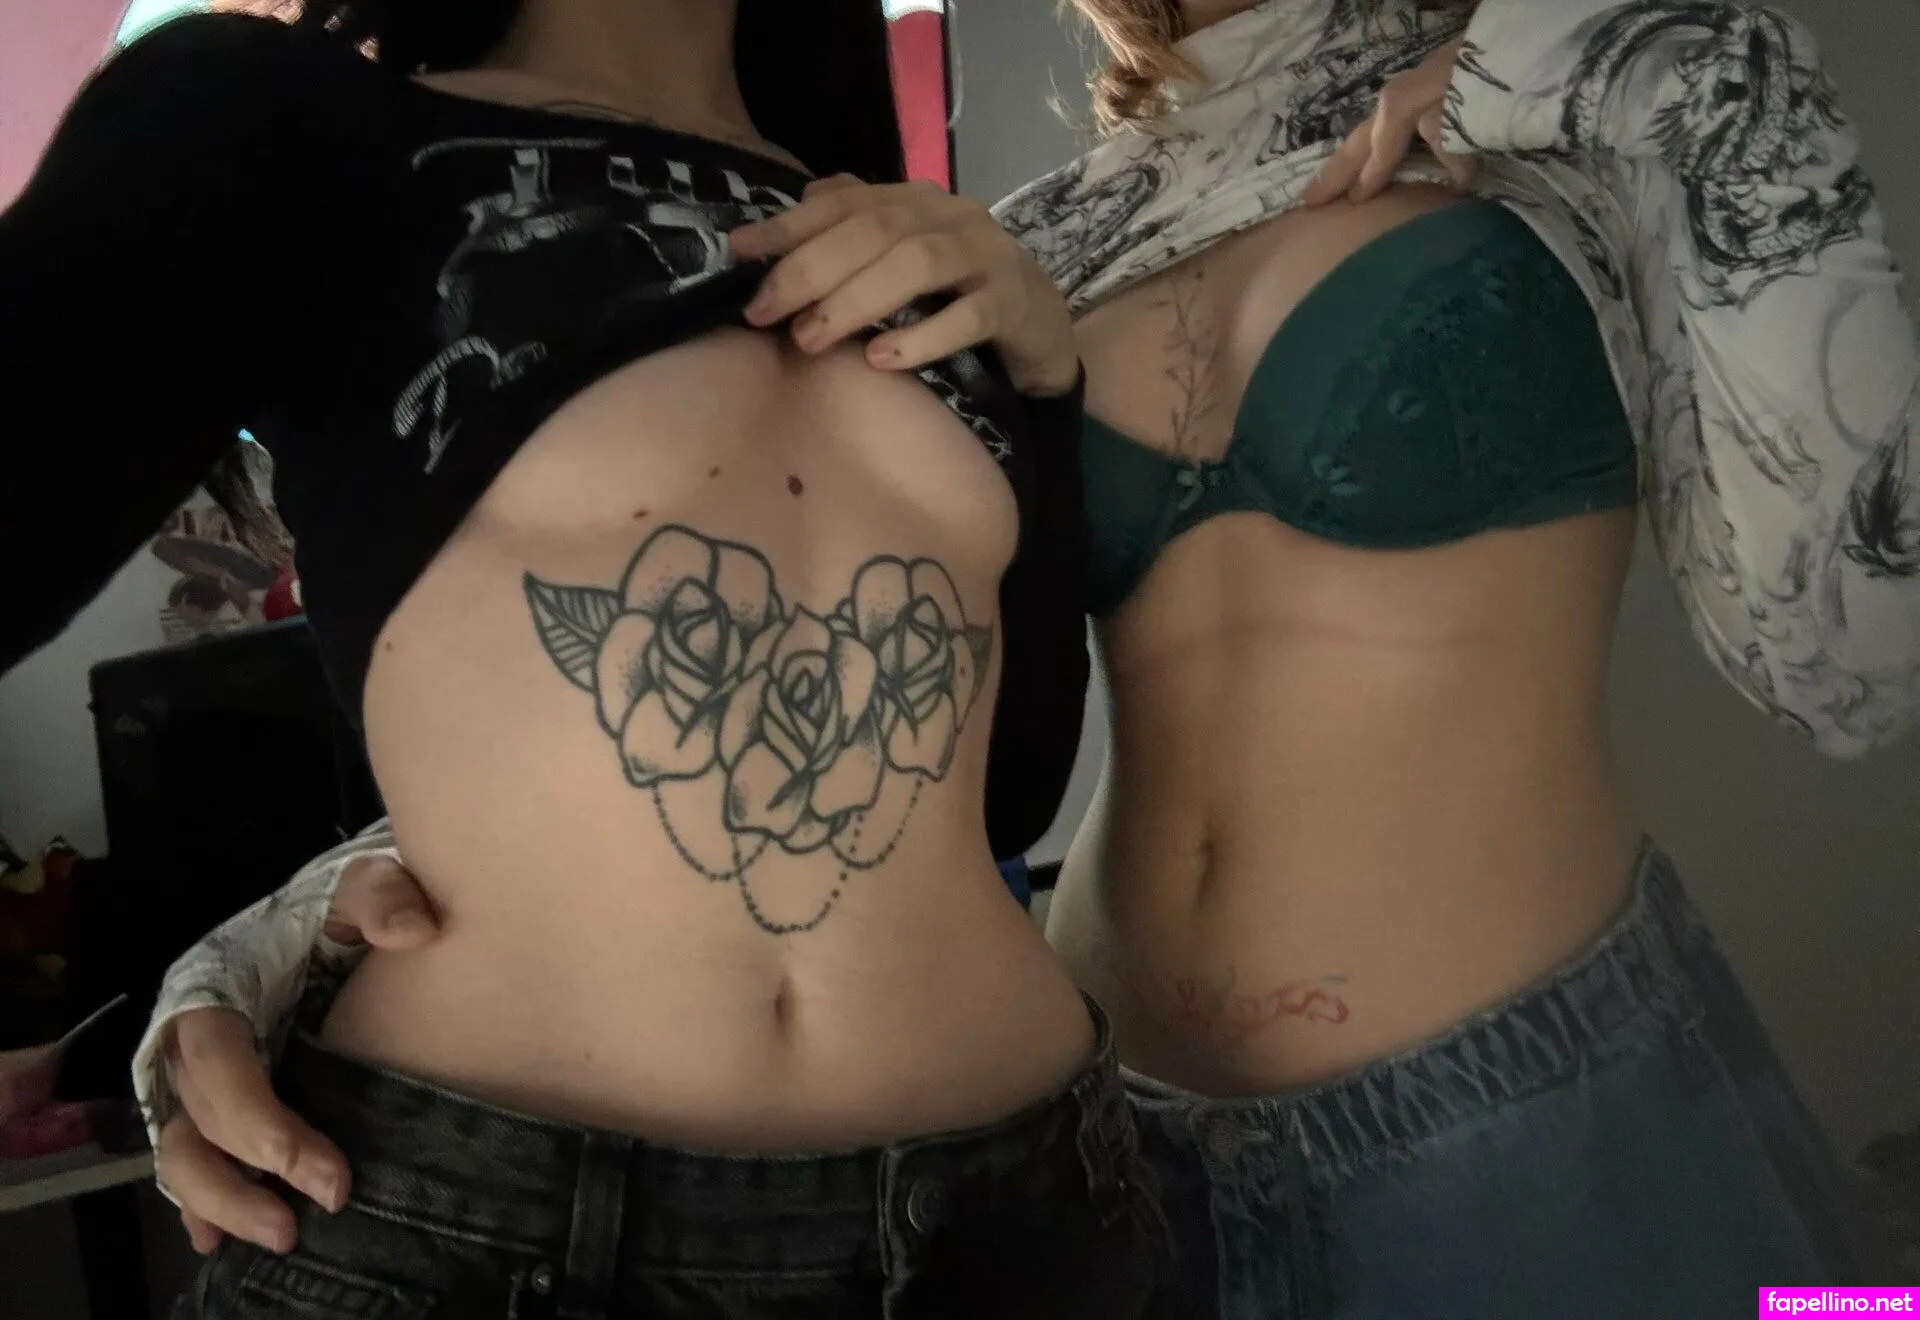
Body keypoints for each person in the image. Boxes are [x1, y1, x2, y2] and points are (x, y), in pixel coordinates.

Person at [136, 0, 1920, 1315]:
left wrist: (1620, 60)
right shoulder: (1025, 243)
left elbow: (1854, 662)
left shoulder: (1609, 86)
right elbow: (763, 716)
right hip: (1088, 1177)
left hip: (1550, 1120)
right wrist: (263, 943)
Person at [0, 0, 1167, 1315]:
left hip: (1024, 1213)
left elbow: (1000, 799)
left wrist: (1046, 385)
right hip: (489, 1234)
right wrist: (246, 951)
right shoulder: (278, 124)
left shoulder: (899, 228)